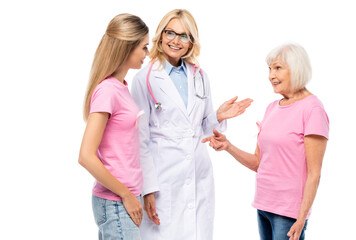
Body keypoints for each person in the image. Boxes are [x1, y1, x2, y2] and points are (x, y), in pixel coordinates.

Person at [131, 9, 253, 240]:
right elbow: (139, 140)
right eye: (170, 33)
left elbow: (201, 128)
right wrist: (147, 189)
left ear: (191, 42)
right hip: (162, 175)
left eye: (184, 36)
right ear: (161, 35)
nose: (176, 41)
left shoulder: (200, 76)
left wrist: (219, 116)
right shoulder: (144, 79)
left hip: (198, 172)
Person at [203, 42, 329, 240]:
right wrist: (228, 146)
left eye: (278, 68)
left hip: (289, 213)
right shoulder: (272, 107)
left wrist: (301, 218)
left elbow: (315, 173)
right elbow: (258, 163)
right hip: (264, 205)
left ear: (296, 69)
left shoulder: (313, 109)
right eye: (269, 69)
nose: (271, 75)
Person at [78, 13, 149, 240]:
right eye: (144, 48)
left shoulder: (121, 87)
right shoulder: (108, 90)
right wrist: (126, 195)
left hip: (125, 198)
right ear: (127, 48)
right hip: (117, 202)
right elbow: (86, 156)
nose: (147, 54)